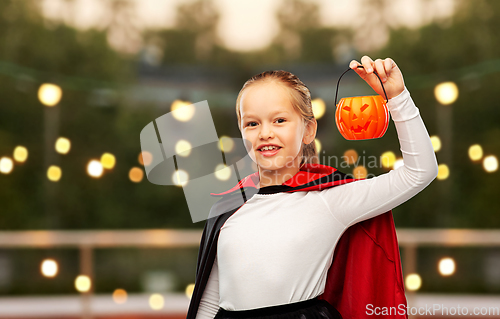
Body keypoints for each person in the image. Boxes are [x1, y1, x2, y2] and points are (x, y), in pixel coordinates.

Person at [187, 56, 439, 319]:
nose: (265, 133)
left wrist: (397, 96)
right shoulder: (227, 206)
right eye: (252, 123)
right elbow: (209, 302)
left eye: (279, 120)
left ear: (308, 130)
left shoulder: (330, 200)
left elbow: (420, 172)